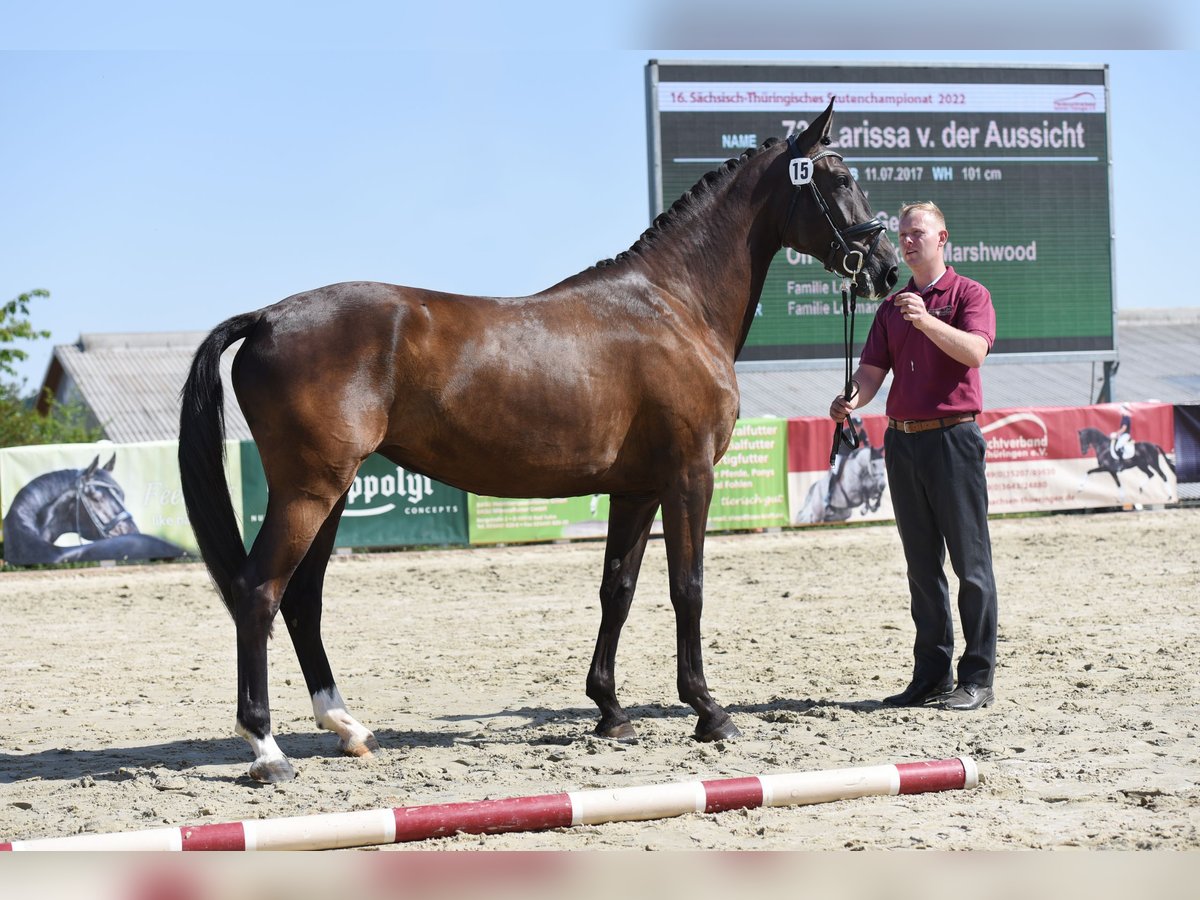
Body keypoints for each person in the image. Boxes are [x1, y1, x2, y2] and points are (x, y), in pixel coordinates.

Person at [829, 201, 998, 711]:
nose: (906, 241)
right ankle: (931, 675)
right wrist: (850, 399)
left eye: (917, 232)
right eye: (902, 233)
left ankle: (978, 678)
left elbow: (974, 352)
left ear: (942, 238)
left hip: (954, 440)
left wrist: (925, 321)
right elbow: (872, 374)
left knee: (971, 565)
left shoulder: (969, 294)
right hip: (902, 441)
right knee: (921, 567)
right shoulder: (890, 307)